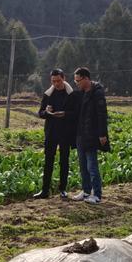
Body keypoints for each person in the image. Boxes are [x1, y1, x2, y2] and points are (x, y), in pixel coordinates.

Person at [34, 68, 77, 199]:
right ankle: (45, 190)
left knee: (64, 161)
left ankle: (62, 190)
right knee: (48, 161)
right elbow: (40, 113)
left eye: (58, 81)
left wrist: (65, 114)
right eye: (53, 81)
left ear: (64, 79)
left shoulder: (72, 95)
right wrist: (46, 112)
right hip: (51, 132)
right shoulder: (48, 95)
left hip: (65, 132)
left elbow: (76, 113)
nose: (56, 84)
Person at [71, 67, 108, 204]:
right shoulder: (80, 93)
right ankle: (86, 191)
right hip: (81, 133)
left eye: (78, 81)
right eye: (75, 81)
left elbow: (102, 114)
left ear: (86, 78)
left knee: (92, 166)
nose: (77, 83)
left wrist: (102, 134)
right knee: (82, 165)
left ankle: (97, 195)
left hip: (92, 134)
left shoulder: (97, 93)